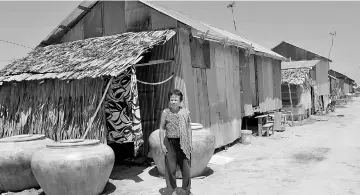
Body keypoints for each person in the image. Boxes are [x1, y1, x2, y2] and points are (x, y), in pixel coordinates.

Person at [159, 89, 193, 195]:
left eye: (176, 100)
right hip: (170, 142)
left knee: (185, 167)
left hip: (183, 142)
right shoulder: (165, 112)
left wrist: (190, 143)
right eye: (171, 99)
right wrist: (161, 143)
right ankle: (172, 188)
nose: (173, 102)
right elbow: (161, 128)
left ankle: (186, 189)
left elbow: (189, 128)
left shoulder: (185, 112)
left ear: (180, 101)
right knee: (170, 167)